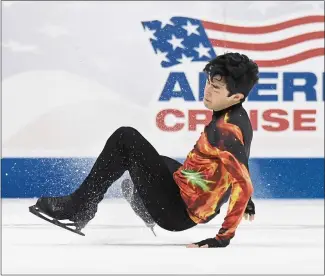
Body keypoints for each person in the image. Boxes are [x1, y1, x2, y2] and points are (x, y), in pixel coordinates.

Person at [30, 52, 258, 248]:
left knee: (125, 138)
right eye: (208, 82)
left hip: (178, 212)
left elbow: (243, 183)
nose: (207, 90)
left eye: (216, 87)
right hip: (192, 189)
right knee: (152, 161)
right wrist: (247, 203)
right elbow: (239, 160)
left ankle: (79, 207)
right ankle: (139, 199)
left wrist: (222, 239)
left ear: (236, 96)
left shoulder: (226, 130)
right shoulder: (236, 116)